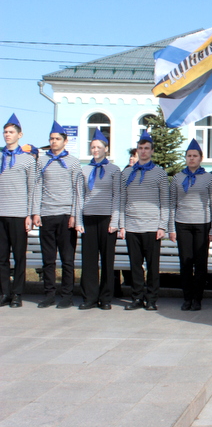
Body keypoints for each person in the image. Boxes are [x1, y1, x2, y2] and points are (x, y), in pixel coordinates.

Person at [34, 121, 84, 309]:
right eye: (51, 139)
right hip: (46, 214)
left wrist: (74, 214)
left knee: (67, 258)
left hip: (65, 215)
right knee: (48, 259)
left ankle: (67, 295)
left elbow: (77, 190)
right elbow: (37, 187)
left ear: (65, 141)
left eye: (57, 139)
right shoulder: (41, 161)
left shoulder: (73, 162)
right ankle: (48, 294)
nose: (54, 142)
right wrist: (35, 212)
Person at [119, 131, 168, 311]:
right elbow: (121, 200)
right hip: (132, 226)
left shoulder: (160, 174)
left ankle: (152, 298)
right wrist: (122, 224)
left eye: (147, 148)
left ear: (152, 151)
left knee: (153, 266)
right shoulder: (127, 173)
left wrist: (162, 225)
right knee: (135, 265)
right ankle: (137, 297)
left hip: (152, 226)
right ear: (137, 151)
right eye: (140, 148)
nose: (143, 151)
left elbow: (165, 201)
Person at [168, 139, 212, 311]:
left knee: (200, 263)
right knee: (185, 263)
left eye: (195, 156)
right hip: (182, 223)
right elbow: (172, 202)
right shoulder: (178, 178)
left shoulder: (209, 178)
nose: (192, 159)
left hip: (202, 223)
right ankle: (187, 298)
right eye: (189, 156)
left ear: (201, 158)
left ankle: (198, 298)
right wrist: (171, 228)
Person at [77, 128, 120, 310]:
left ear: (106, 149)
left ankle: (106, 298)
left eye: (98, 147)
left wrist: (115, 221)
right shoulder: (84, 170)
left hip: (107, 219)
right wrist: (78, 221)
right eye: (93, 147)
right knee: (89, 260)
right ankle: (90, 297)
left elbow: (118, 196)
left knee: (107, 260)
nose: (95, 150)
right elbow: (79, 196)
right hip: (88, 218)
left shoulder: (114, 169)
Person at [0, 114, 37, 308]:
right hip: (1, 213)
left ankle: (17, 294)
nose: (7, 135)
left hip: (18, 214)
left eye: (11, 132)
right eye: (5, 132)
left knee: (19, 256)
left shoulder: (27, 160)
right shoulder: (0, 157)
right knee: (1, 257)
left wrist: (30, 214)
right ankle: (5, 292)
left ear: (19, 135)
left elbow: (33, 188)